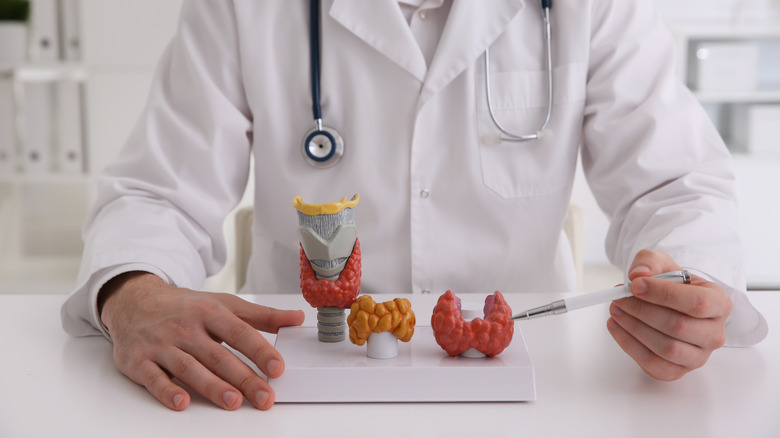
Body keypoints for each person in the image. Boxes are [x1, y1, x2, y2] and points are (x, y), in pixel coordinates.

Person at [61, 0, 768, 412]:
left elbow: (675, 187)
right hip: (297, 389)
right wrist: (133, 291)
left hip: (528, 388)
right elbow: (158, 192)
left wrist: (689, 283)